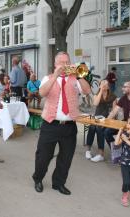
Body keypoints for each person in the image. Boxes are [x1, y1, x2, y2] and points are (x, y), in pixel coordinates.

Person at [32, 52, 91, 195]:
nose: (65, 65)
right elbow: (42, 93)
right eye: (61, 62)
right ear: (55, 64)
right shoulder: (48, 77)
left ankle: (58, 183)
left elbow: (87, 90)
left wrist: (79, 74)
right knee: (43, 156)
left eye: (67, 62)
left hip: (69, 125)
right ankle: (38, 179)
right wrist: (56, 76)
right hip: (50, 124)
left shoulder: (75, 78)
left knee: (66, 157)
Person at [105, 81, 130, 151]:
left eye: (124, 87)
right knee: (107, 132)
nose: (122, 88)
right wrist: (106, 121)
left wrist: (123, 127)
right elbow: (114, 111)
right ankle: (116, 152)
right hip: (125, 123)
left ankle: (122, 152)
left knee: (123, 134)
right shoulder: (123, 98)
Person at [85, 80, 117, 162]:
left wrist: (108, 119)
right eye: (102, 84)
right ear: (100, 86)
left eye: (106, 84)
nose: (104, 85)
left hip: (108, 119)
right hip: (97, 118)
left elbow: (114, 111)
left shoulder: (113, 96)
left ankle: (100, 154)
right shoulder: (97, 95)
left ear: (108, 86)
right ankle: (88, 150)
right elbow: (95, 104)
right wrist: (100, 91)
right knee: (92, 127)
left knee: (99, 129)